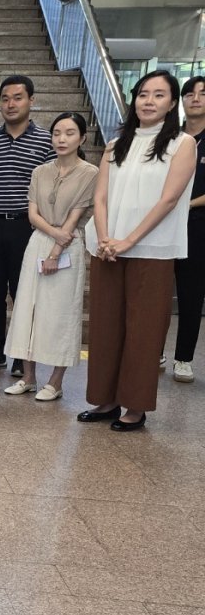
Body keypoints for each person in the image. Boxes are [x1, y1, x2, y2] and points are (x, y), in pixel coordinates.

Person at [78, 69, 196, 432]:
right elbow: (100, 196)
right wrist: (104, 236)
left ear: (172, 103)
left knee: (143, 329)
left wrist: (129, 239)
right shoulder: (116, 145)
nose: (149, 101)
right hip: (108, 247)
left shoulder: (182, 143)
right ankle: (107, 398)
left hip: (151, 249)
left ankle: (135, 405)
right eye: (143, 94)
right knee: (106, 325)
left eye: (159, 95)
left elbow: (169, 199)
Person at [2, 112, 97, 401]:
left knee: (60, 312)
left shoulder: (90, 172)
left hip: (69, 245)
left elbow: (75, 216)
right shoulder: (40, 171)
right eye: (57, 133)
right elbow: (33, 214)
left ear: (81, 138)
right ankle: (28, 377)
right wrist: (51, 237)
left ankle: (55, 381)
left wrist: (57, 249)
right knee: (28, 307)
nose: (62, 139)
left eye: (69, 133)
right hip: (39, 240)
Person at [0, 75, 56, 377]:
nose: (11, 104)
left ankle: (21, 355)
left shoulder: (46, 141)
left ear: (31, 100)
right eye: (5, 98)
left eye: (17, 97)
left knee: (24, 293)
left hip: (27, 229)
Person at [171, 75, 205, 383]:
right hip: (163, 223)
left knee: (191, 295)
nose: (196, 98)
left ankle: (183, 358)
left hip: (197, 226)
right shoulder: (171, 137)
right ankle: (154, 350)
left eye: (203, 94)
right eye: (189, 93)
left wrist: (186, 205)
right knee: (154, 292)